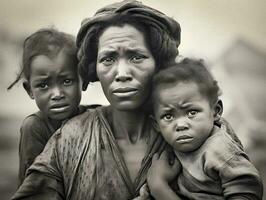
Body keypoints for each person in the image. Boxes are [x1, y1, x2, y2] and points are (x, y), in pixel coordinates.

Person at [11, 1, 240, 200]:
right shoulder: (69, 139)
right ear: (94, 69)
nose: (121, 73)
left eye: (136, 56)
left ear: (158, 63)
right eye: (108, 58)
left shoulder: (206, 131)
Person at [146, 58, 263, 200]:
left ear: (215, 111)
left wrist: (159, 187)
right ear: (156, 124)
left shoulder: (221, 151)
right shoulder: (167, 152)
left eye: (192, 112)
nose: (181, 125)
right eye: (168, 116)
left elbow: (247, 193)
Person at [7, 28, 92, 185]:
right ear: (30, 90)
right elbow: (33, 185)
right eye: (44, 85)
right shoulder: (34, 127)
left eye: (67, 81)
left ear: (83, 81)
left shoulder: (94, 119)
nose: (57, 94)